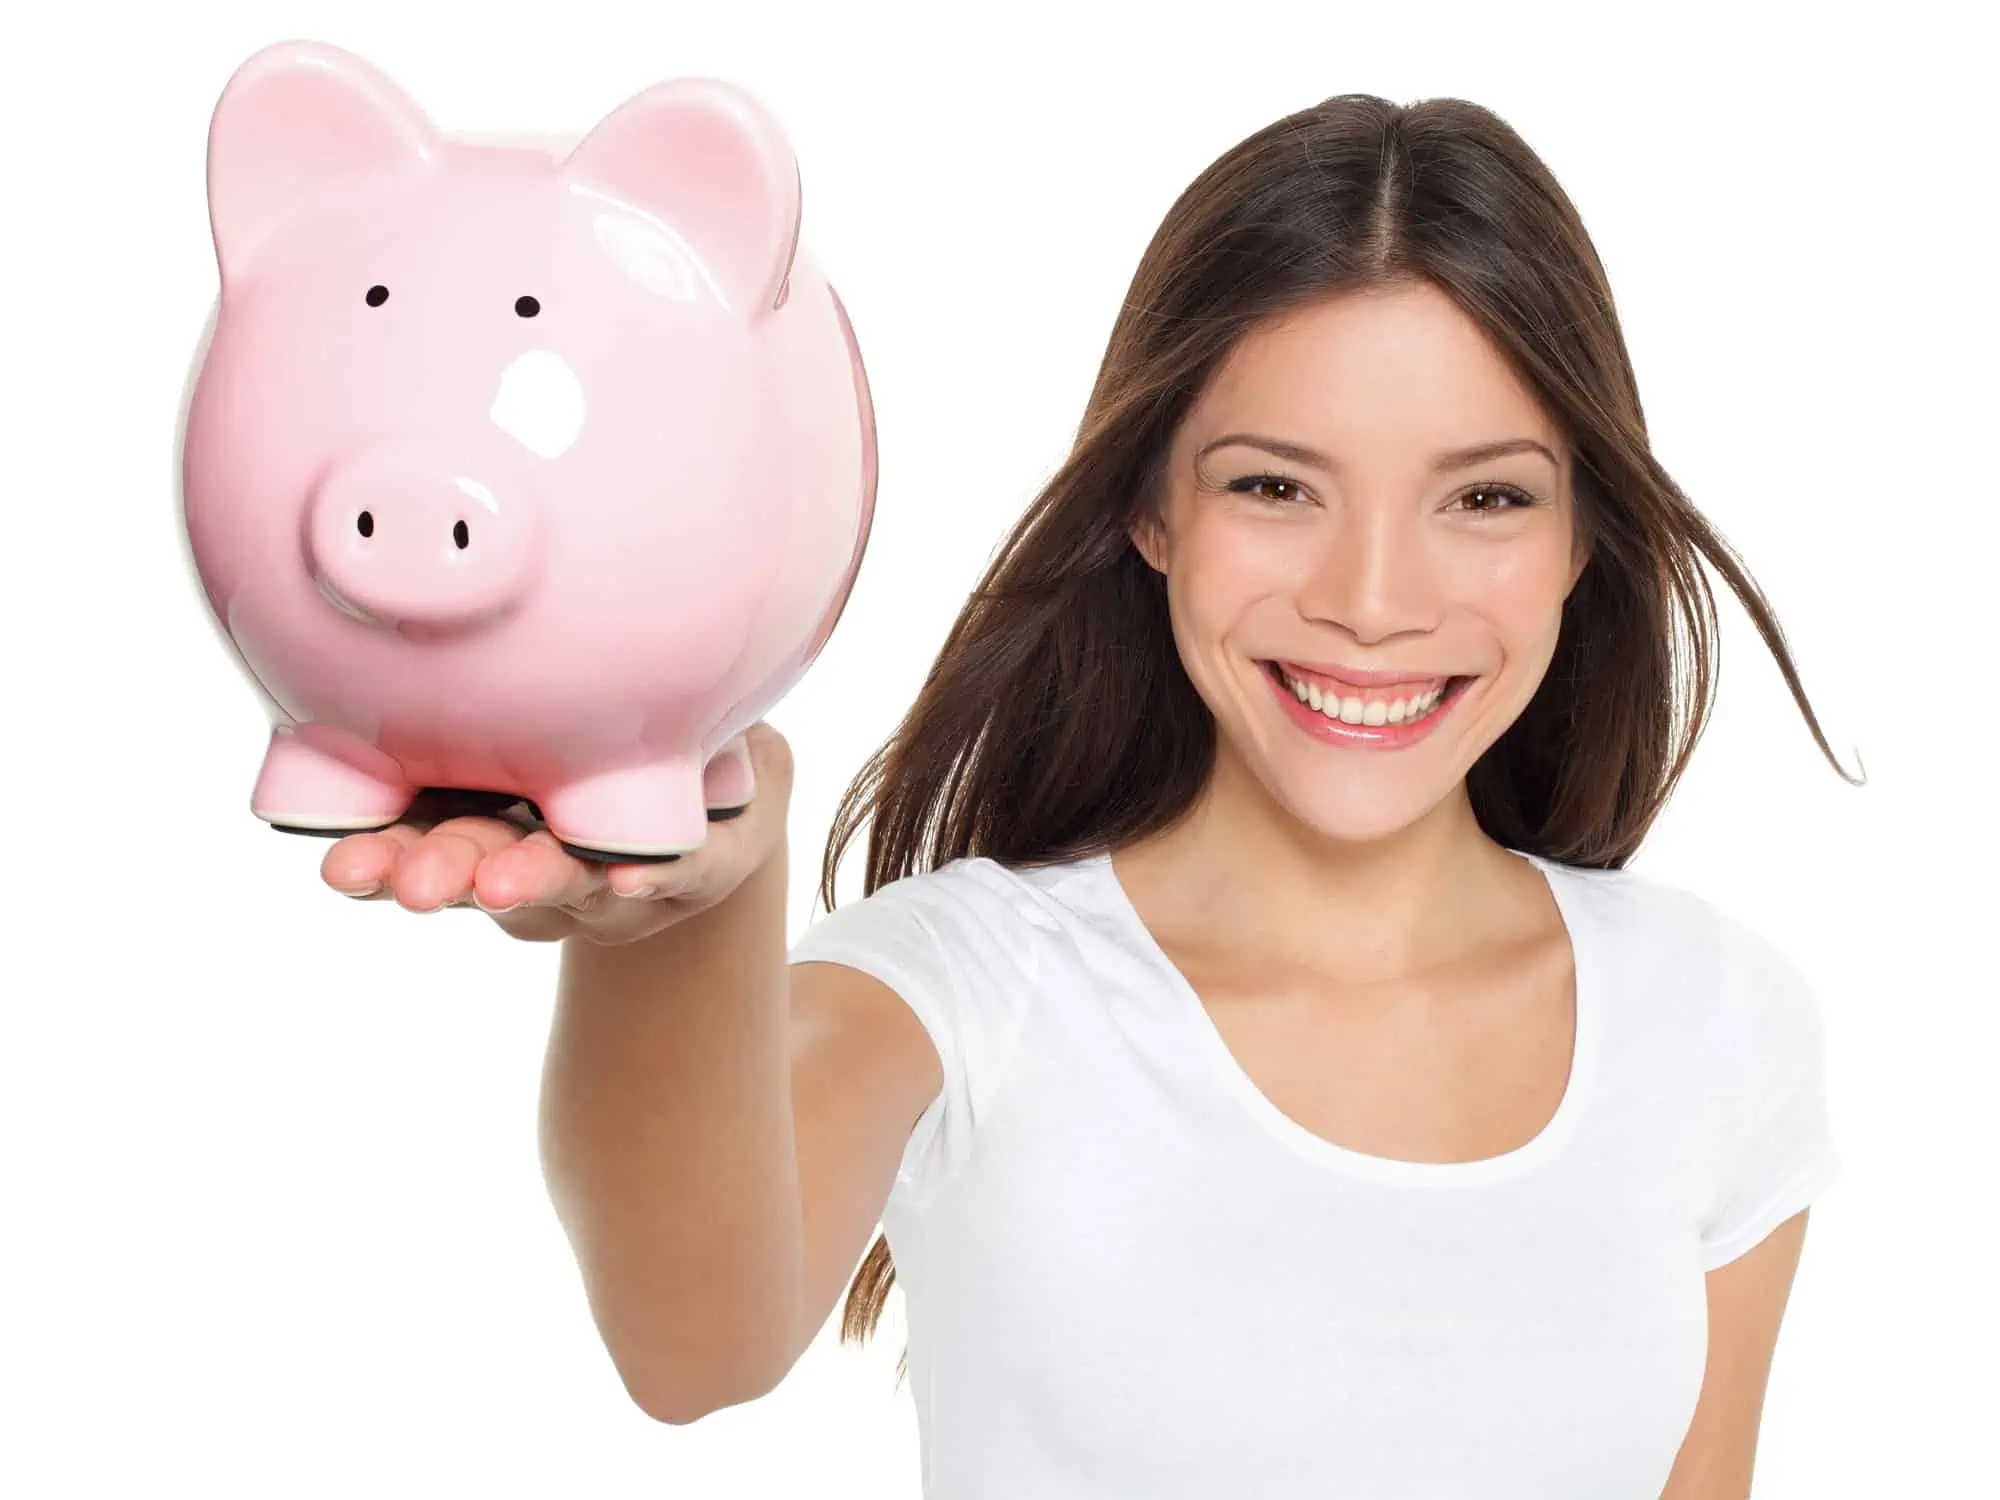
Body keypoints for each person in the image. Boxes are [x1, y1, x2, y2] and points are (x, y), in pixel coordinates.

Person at [320, 92, 1856, 1498]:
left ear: (1582, 538)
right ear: (1151, 511)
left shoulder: (1717, 1020)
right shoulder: (972, 985)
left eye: (1486, 497)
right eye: (1274, 486)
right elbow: (691, 1344)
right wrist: (680, 911)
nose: (1374, 600)